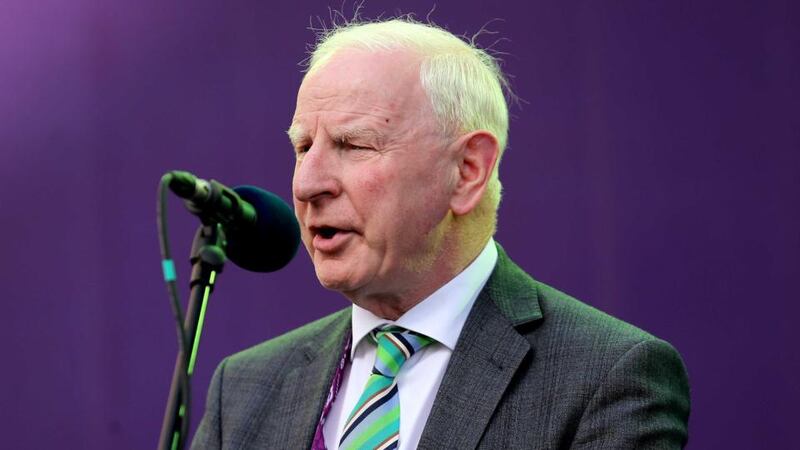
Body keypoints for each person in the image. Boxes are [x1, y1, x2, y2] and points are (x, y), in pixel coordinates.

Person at [192, 18, 690, 450]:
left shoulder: (606, 377)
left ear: (468, 170)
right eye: (303, 147)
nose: (307, 183)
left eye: (354, 144)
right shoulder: (244, 389)